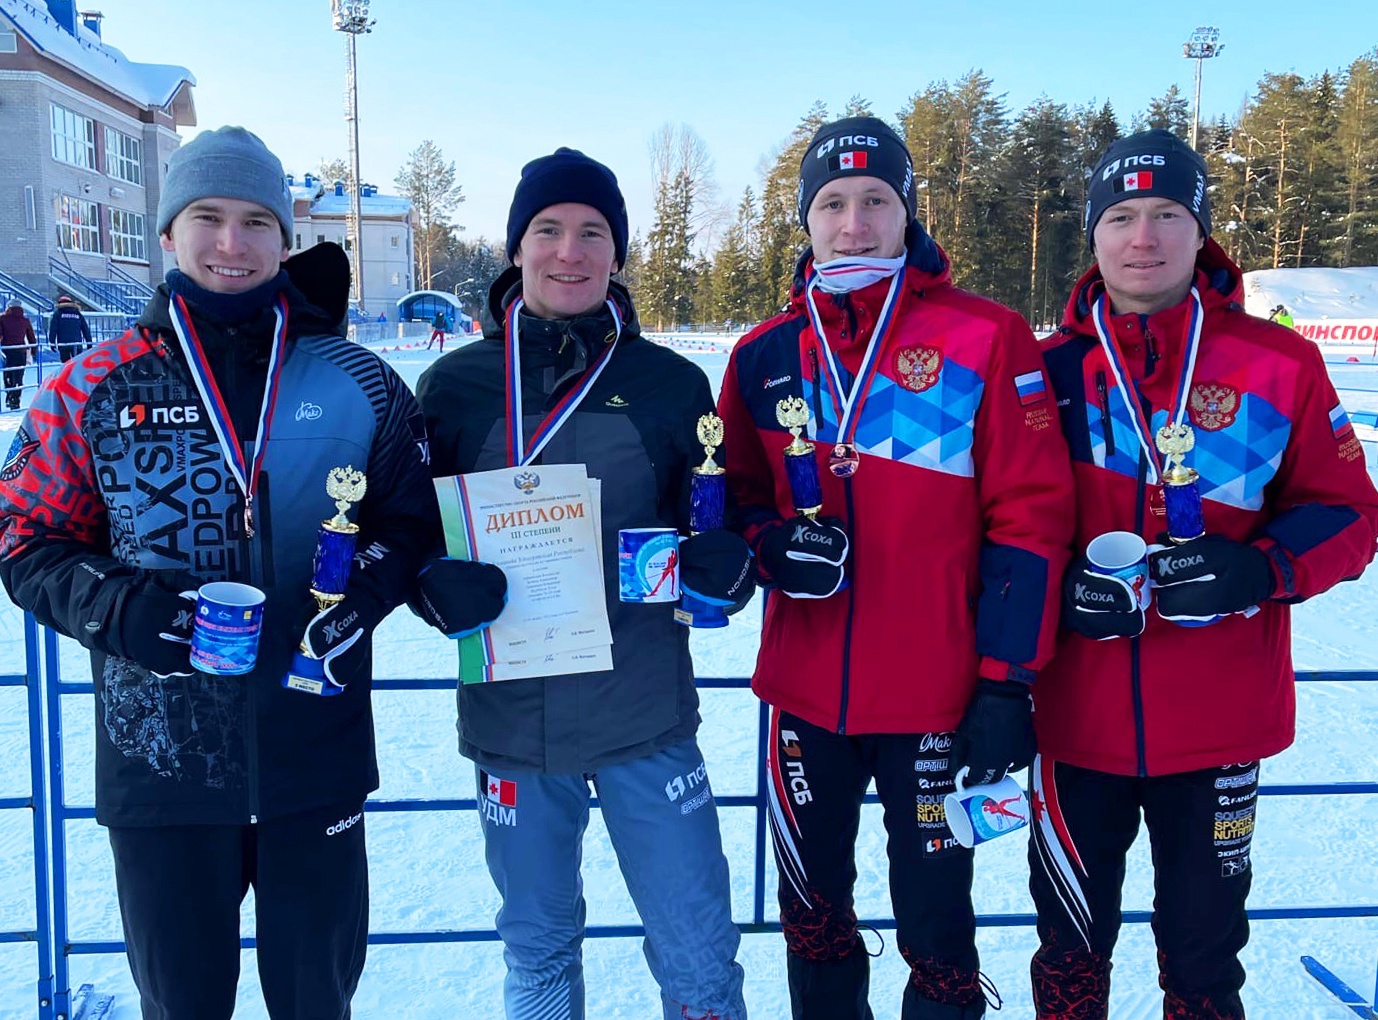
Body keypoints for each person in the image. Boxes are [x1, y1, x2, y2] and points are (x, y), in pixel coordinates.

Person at [0, 125, 439, 1020]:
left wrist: (365, 595)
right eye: (207, 218)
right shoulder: (92, 386)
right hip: (158, 769)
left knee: (317, 1003)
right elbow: (23, 538)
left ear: (286, 240)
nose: (231, 244)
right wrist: (119, 611)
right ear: (168, 233)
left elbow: (408, 523)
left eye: (255, 222)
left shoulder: (363, 382)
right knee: (183, 1007)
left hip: (315, 754)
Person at [715, 116, 1075, 1020]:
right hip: (803, 695)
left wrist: (1006, 683)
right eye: (831, 204)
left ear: (907, 213)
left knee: (937, 924)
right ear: (805, 220)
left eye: (876, 201)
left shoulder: (984, 338)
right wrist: (766, 547)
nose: (853, 223)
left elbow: (1032, 519)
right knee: (811, 914)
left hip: (936, 696)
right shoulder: (762, 356)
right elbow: (734, 505)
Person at [1034, 129, 1378, 1020]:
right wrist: (1052, 586)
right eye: (1119, 216)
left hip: (1219, 718)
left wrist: (1258, 570)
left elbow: (1352, 513)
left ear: (1201, 232)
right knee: (1070, 954)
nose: (1142, 237)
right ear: (1093, 235)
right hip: (1074, 721)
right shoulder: (1042, 372)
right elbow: (999, 525)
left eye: (1166, 215)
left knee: (1203, 955)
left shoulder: (1280, 363)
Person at [411, 147, 754, 1020]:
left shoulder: (670, 386)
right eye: (549, 229)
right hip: (512, 726)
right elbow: (411, 535)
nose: (571, 251)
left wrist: (725, 568)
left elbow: (716, 524)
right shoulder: (453, 387)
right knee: (536, 950)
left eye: (593, 232)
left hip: (643, 715)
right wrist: (429, 586)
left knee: (699, 949)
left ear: (618, 252)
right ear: (516, 247)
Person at [0, 298, 35, 410]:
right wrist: (33, 351)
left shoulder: (2, 318)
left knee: (8, 376)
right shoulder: (25, 320)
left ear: (8, 307)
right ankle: (16, 399)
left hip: (7, 351)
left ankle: (10, 396)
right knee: (19, 376)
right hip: (21, 351)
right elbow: (31, 337)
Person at [48, 293, 92, 362]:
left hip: (63, 344)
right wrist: (89, 343)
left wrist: (52, 343)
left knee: (66, 365)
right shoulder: (78, 313)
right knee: (77, 364)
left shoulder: (58, 314)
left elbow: (53, 330)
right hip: (77, 344)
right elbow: (85, 329)